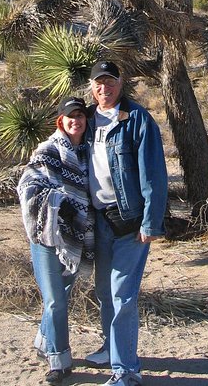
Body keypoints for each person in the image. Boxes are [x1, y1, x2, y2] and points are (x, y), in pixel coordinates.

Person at [83, 61, 168, 386]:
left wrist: (150, 222)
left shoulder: (136, 120)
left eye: (111, 82)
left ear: (122, 83)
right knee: (104, 291)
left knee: (123, 295)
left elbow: (154, 176)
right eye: (99, 83)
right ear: (92, 87)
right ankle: (110, 348)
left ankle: (126, 371)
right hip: (99, 219)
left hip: (130, 221)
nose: (105, 88)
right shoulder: (87, 120)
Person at [16, 96, 95, 384]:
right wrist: (58, 202)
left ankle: (42, 340)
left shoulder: (88, 153)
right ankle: (59, 360)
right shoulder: (49, 149)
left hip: (74, 236)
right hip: (47, 235)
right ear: (60, 120)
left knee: (60, 297)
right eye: (70, 116)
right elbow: (28, 185)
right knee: (55, 302)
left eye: (81, 116)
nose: (76, 120)